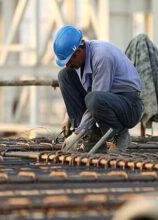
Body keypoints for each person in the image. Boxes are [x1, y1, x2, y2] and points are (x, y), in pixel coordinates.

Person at [53, 25, 144, 153]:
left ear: (78, 52)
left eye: (68, 60)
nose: (68, 64)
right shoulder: (80, 61)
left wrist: (76, 134)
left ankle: (120, 134)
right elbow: (86, 92)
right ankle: (91, 136)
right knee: (64, 75)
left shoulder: (102, 57)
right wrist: (68, 116)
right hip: (106, 100)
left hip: (128, 106)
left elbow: (96, 97)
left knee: (93, 99)